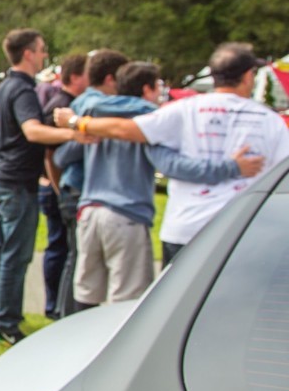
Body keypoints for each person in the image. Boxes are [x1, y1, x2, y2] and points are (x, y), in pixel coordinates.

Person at [55, 42, 289, 268]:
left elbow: (126, 129)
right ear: (248, 76)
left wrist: (76, 122)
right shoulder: (270, 120)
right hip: (242, 230)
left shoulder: (184, 110)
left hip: (185, 228)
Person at [52, 61, 262, 309]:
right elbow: (172, 165)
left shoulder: (98, 117)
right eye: (158, 87)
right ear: (146, 89)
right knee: (127, 302)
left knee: (85, 295)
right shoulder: (147, 123)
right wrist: (231, 167)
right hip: (126, 212)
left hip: (90, 211)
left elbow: (61, 157)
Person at [0, 29, 93, 346]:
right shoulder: (23, 90)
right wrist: (75, 133)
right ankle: (6, 323)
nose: (45, 55)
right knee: (15, 257)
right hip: (17, 184)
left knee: (0, 252)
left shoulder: (7, 86)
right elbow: (32, 131)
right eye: (42, 50)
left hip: (0, 180)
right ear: (29, 54)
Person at [48, 49, 129, 318]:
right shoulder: (94, 106)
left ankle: (67, 318)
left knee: (78, 260)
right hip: (80, 190)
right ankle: (68, 321)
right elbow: (61, 155)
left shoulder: (82, 104)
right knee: (79, 263)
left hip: (79, 191)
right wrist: (85, 132)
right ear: (110, 79)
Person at [39, 54, 88, 319]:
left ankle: (57, 304)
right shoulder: (61, 106)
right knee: (61, 249)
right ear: (75, 77)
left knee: (63, 249)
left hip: (57, 186)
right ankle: (55, 306)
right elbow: (50, 154)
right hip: (55, 187)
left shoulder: (67, 104)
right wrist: (58, 189)